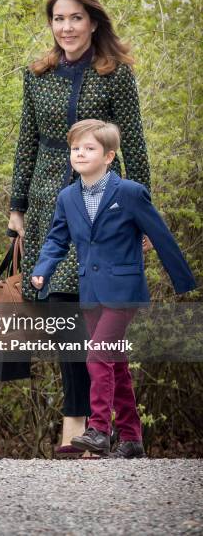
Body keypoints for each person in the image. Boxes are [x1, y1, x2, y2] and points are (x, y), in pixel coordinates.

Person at [8, 0, 151, 454]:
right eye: (58, 19)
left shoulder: (115, 76)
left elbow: (133, 145)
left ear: (92, 22)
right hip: (48, 199)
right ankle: (103, 431)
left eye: (75, 18)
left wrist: (141, 214)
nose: (66, 27)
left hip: (102, 207)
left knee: (85, 319)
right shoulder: (36, 74)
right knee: (61, 311)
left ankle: (92, 430)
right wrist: (17, 210)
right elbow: (25, 142)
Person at [31, 119, 196, 458]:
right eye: (75, 148)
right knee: (115, 363)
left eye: (88, 148)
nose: (80, 153)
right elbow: (57, 239)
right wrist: (43, 270)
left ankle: (99, 431)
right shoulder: (67, 197)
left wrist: (183, 282)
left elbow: (160, 235)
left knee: (98, 355)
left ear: (108, 156)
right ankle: (133, 439)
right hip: (90, 292)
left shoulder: (129, 193)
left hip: (124, 291)